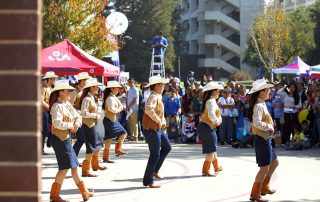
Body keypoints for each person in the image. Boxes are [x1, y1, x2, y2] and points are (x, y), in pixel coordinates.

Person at [48, 80, 93, 201]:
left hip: (65, 139)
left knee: (73, 166)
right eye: (67, 90)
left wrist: (77, 124)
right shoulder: (57, 106)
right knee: (64, 168)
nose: (69, 92)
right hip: (59, 139)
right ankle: (54, 195)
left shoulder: (66, 104)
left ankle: (84, 192)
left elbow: (78, 116)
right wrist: (70, 125)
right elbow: (56, 123)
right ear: (60, 92)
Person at [247, 78, 278, 202]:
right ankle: (255, 194)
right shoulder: (259, 105)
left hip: (266, 138)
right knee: (264, 167)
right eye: (268, 90)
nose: (270, 92)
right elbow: (257, 122)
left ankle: (264, 187)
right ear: (261, 92)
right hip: (262, 139)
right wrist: (269, 126)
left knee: (274, 163)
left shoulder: (262, 103)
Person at [142, 75, 172, 188]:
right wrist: (159, 120)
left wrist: (162, 121)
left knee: (167, 147)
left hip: (157, 129)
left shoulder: (157, 96)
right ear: (156, 86)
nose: (163, 86)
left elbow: (159, 112)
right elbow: (148, 109)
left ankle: (154, 171)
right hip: (152, 129)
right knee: (155, 155)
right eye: (161, 84)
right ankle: (148, 180)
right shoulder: (154, 97)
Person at [79, 78, 107, 177]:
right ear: (91, 87)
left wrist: (98, 113)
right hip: (88, 125)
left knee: (96, 144)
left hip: (92, 124)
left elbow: (96, 110)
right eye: (96, 86)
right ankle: (86, 170)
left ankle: (93, 165)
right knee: (90, 147)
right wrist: (95, 115)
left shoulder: (92, 97)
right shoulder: (87, 98)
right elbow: (84, 113)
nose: (98, 88)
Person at [197, 82, 224, 176]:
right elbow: (211, 114)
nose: (219, 93)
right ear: (213, 92)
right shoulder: (211, 101)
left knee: (213, 149)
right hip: (207, 127)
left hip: (206, 127)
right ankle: (205, 170)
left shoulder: (210, 100)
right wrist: (217, 122)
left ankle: (216, 167)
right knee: (211, 150)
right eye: (218, 91)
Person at [102, 81, 128, 163]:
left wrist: (119, 108)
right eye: (117, 87)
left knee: (110, 139)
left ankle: (108, 156)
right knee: (122, 133)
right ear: (112, 88)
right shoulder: (110, 98)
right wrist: (119, 109)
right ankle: (116, 151)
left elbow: (119, 106)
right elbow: (111, 109)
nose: (118, 89)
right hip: (109, 120)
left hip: (112, 120)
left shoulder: (113, 97)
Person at [71, 72, 92, 157]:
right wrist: (78, 113)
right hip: (77, 118)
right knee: (81, 138)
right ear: (82, 81)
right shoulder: (74, 91)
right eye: (87, 80)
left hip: (84, 118)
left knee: (84, 138)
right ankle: (73, 157)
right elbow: (70, 105)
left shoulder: (85, 91)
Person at [41, 71, 58, 155]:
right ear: (47, 79)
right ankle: (41, 149)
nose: (53, 80)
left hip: (50, 112)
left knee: (51, 129)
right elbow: (41, 100)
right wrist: (49, 107)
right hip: (44, 112)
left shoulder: (51, 88)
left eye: (54, 78)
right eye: (51, 78)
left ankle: (49, 143)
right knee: (44, 131)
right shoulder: (43, 88)